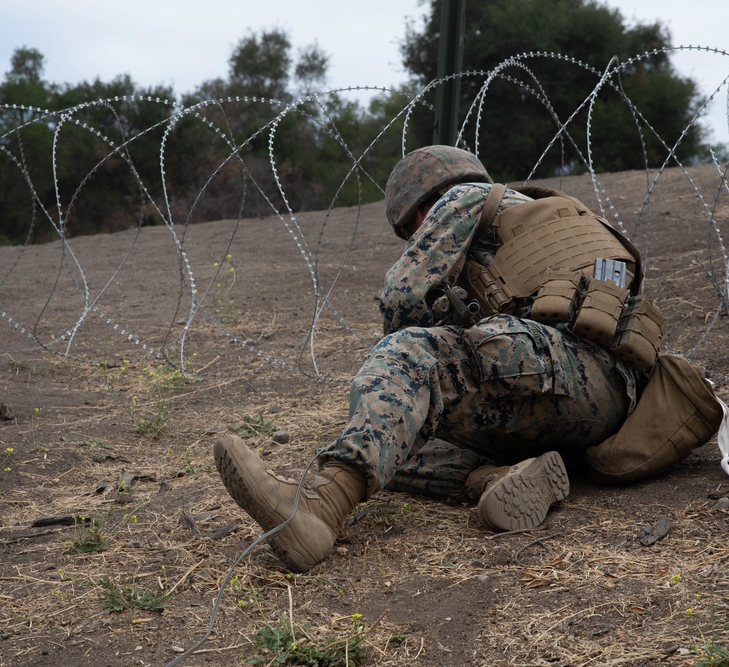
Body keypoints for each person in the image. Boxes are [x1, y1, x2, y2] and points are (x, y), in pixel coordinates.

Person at [213, 145, 646, 573]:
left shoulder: (464, 198)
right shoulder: (565, 219)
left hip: (560, 367)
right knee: (393, 437)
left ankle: (320, 508)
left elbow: (402, 301)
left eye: (412, 230)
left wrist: (408, 357)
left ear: (421, 212)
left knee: (405, 358)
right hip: (610, 407)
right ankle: (499, 477)